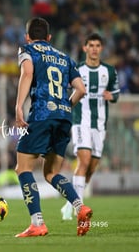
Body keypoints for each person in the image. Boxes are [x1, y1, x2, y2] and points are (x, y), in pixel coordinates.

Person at [14, 17, 92, 237]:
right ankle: (80, 207)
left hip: (41, 114)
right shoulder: (64, 57)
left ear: (27, 36)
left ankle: (37, 223)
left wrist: (19, 106)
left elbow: (27, 72)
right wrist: (65, 106)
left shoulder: (27, 49)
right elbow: (81, 89)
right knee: (51, 172)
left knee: (23, 168)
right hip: (64, 117)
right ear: (49, 37)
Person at [61, 33, 120, 220]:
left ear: (101, 48)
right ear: (84, 48)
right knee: (83, 161)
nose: (94, 48)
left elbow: (116, 93)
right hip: (80, 122)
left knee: (91, 168)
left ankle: (70, 203)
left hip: (100, 125)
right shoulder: (76, 69)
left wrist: (112, 96)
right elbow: (66, 91)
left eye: (97, 45)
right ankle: (79, 209)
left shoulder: (109, 71)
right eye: (91, 45)